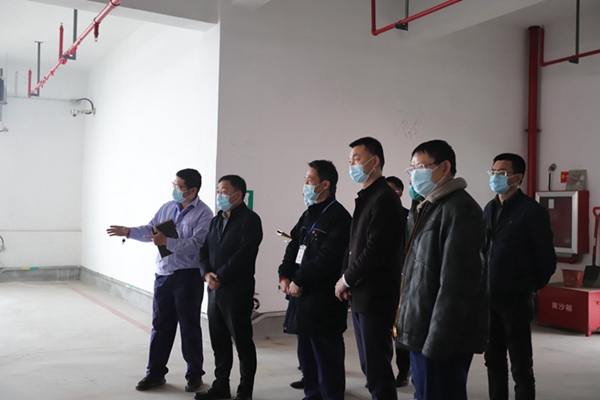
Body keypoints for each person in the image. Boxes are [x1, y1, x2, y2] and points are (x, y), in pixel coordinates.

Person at [396, 140, 489, 400]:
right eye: (411, 169)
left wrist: (436, 343)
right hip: (422, 332)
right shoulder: (428, 207)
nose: (414, 174)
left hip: (441, 340)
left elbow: (456, 286)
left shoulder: (461, 210)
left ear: (445, 168)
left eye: (420, 167)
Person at [106, 168, 213, 392]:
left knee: (189, 327)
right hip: (163, 275)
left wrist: (167, 242)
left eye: (179, 187)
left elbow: (198, 244)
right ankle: (154, 374)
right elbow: (151, 229)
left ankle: (194, 374)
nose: (175, 190)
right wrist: (128, 231)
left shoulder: (204, 213)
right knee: (160, 326)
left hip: (188, 277)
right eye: (174, 185)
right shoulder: (167, 207)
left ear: (193, 190)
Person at [335, 137, 404, 400]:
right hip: (361, 292)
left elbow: (375, 250)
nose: (352, 164)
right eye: (350, 159)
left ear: (374, 161)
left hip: (376, 295)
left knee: (377, 366)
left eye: (357, 158)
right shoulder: (366, 197)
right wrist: (345, 278)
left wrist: (347, 280)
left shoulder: (384, 198)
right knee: (369, 364)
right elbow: (353, 245)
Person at [484, 153, 557, 400]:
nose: (496, 177)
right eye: (494, 172)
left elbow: (546, 259)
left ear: (518, 177)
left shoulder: (532, 211)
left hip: (515, 300)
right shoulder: (489, 208)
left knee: (520, 363)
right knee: (493, 360)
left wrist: (528, 287)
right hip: (489, 298)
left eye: (502, 173)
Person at [279, 160, 351, 400]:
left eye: (309, 180)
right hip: (302, 300)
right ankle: (312, 395)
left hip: (323, 301)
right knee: (307, 356)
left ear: (325, 184)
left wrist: (299, 279)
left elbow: (328, 257)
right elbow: (294, 246)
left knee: (327, 357)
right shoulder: (308, 214)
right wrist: (284, 275)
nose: (305, 185)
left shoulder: (339, 217)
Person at [196, 175, 263, 400]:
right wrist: (207, 274)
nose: (220, 195)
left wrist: (221, 276)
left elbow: (245, 254)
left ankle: (245, 391)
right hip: (214, 290)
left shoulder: (250, 220)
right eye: (218, 190)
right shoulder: (217, 220)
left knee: (242, 342)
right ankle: (221, 386)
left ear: (238, 195)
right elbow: (204, 250)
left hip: (236, 291)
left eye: (224, 191)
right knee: (219, 341)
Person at [385, 176, 411, 388]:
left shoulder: (408, 218)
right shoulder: (376, 216)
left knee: (401, 333)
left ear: (400, 194)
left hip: (403, 283)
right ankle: (381, 374)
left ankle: (403, 372)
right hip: (382, 284)